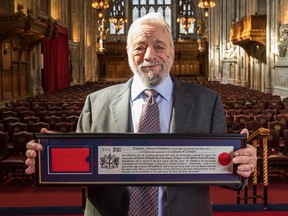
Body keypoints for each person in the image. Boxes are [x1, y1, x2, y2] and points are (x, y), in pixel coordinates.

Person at [25, 12, 257, 216]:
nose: (149, 55)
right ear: (128, 53)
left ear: (172, 53)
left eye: (159, 46)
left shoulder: (207, 101)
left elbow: (226, 170)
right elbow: (81, 167)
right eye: (139, 47)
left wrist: (242, 166)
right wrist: (48, 159)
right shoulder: (96, 103)